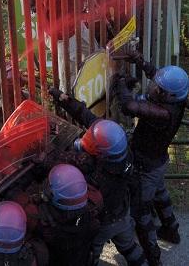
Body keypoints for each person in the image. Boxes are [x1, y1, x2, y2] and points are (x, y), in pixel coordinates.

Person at [49, 88, 147, 265]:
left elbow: (70, 163)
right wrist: (65, 100)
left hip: (103, 224)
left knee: (90, 255)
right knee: (130, 248)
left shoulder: (95, 173)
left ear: (99, 155)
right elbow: (88, 118)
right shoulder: (120, 148)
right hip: (123, 214)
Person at [115, 51, 188, 265]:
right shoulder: (178, 98)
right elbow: (161, 79)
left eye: (158, 88)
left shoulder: (163, 113)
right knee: (160, 194)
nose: (153, 88)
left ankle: (153, 257)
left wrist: (119, 84)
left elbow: (129, 107)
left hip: (145, 167)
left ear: (166, 95)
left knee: (140, 213)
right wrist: (141, 62)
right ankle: (171, 230)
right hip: (157, 162)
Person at [32, 0, 113, 92]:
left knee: (96, 59)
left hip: (75, 23)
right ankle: (69, 107)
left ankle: (91, 102)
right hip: (59, 31)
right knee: (69, 80)